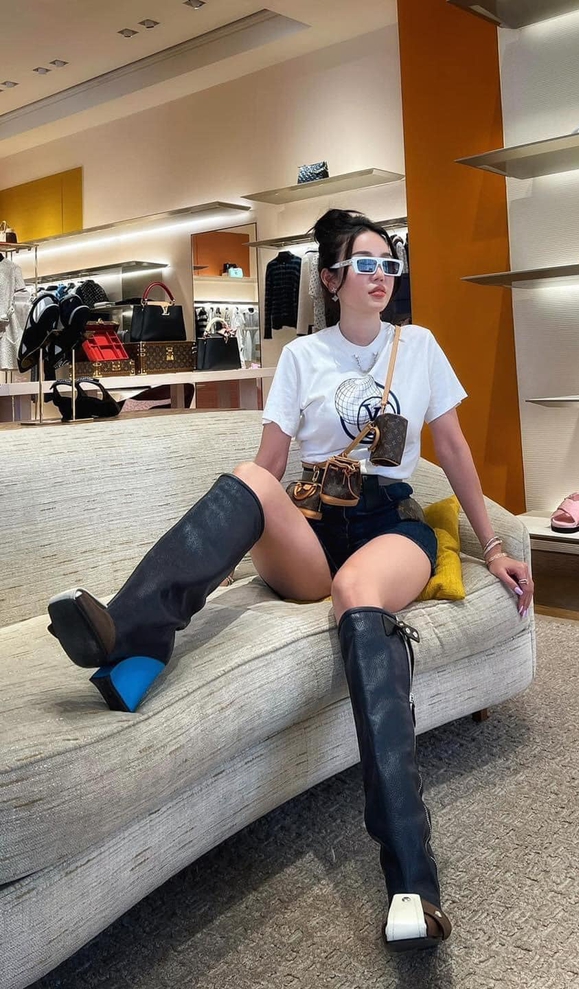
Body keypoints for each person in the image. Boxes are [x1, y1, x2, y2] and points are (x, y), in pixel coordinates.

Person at [47, 208, 534, 951]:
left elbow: (456, 450)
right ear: (331, 279)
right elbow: (271, 467)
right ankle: (133, 637)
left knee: (356, 594)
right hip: (313, 528)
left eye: (389, 263)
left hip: (387, 527)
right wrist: (236, 537)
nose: (381, 275)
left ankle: (412, 879)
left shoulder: (419, 346)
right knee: (248, 474)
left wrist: (492, 545)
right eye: (365, 263)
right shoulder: (303, 356)